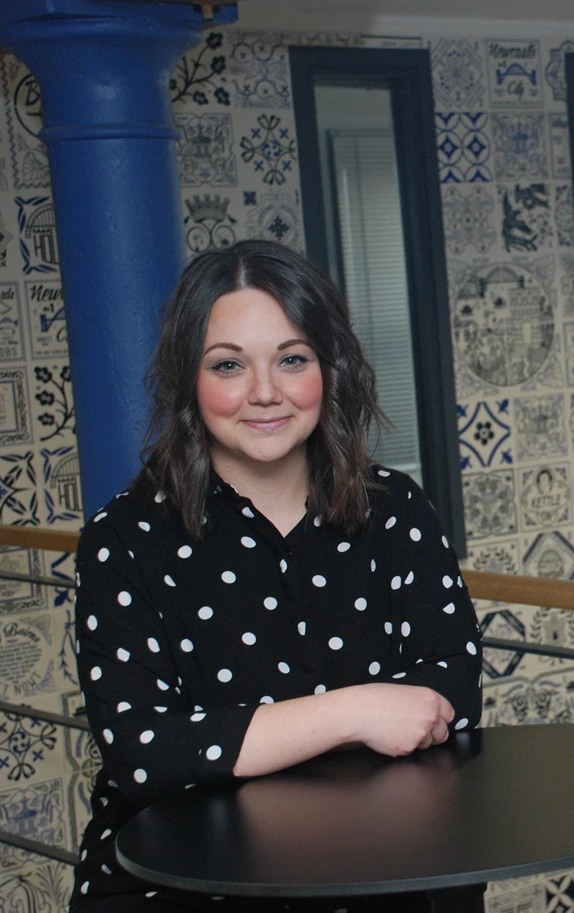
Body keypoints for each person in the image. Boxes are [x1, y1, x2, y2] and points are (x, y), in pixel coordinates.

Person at [70, 240, 483, 912]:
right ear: (188, 380)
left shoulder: (395, 509)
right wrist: (354, 709)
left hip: (381, 870)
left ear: (329, 368)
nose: (264, 392)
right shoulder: (126, 539)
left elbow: (450, 692)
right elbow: (146, 750)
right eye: (228, 364)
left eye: (292, 359)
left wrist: (248, 735)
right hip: (183, 887)